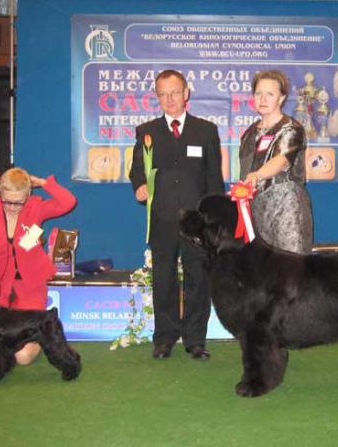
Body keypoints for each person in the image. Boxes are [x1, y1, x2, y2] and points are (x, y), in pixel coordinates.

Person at [130, 70, 224, 361]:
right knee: (164, 279)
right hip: (162, 219)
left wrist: (214, 219)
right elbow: (136, 169)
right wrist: (140, 185)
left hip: (197, 222)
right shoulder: (147, 131)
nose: (169, 99)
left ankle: (195, 339)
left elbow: (213, 178)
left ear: (186, 93)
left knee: (199, 279)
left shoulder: (206, 130)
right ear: (156, 96)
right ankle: (164, 338)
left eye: (174, 92)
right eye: (162, 93)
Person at [0, 167, 76, 365]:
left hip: (31, 289)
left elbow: (69, 202)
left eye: (18, 202)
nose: (12, 206)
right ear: (0, 192)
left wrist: (45, 183)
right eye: (7, 200)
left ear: (28, 195)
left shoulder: (35, 209)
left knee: (23, 357)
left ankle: (35, 340)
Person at [239, 70, 313, 254]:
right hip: (256, 209)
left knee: (291, 270)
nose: (262, 99)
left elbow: (281, 161)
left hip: (286, 209)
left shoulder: (291, 129)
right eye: (258, 93)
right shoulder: (249, 133)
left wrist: (257, 175)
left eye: (270, 94)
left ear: (281, 98)